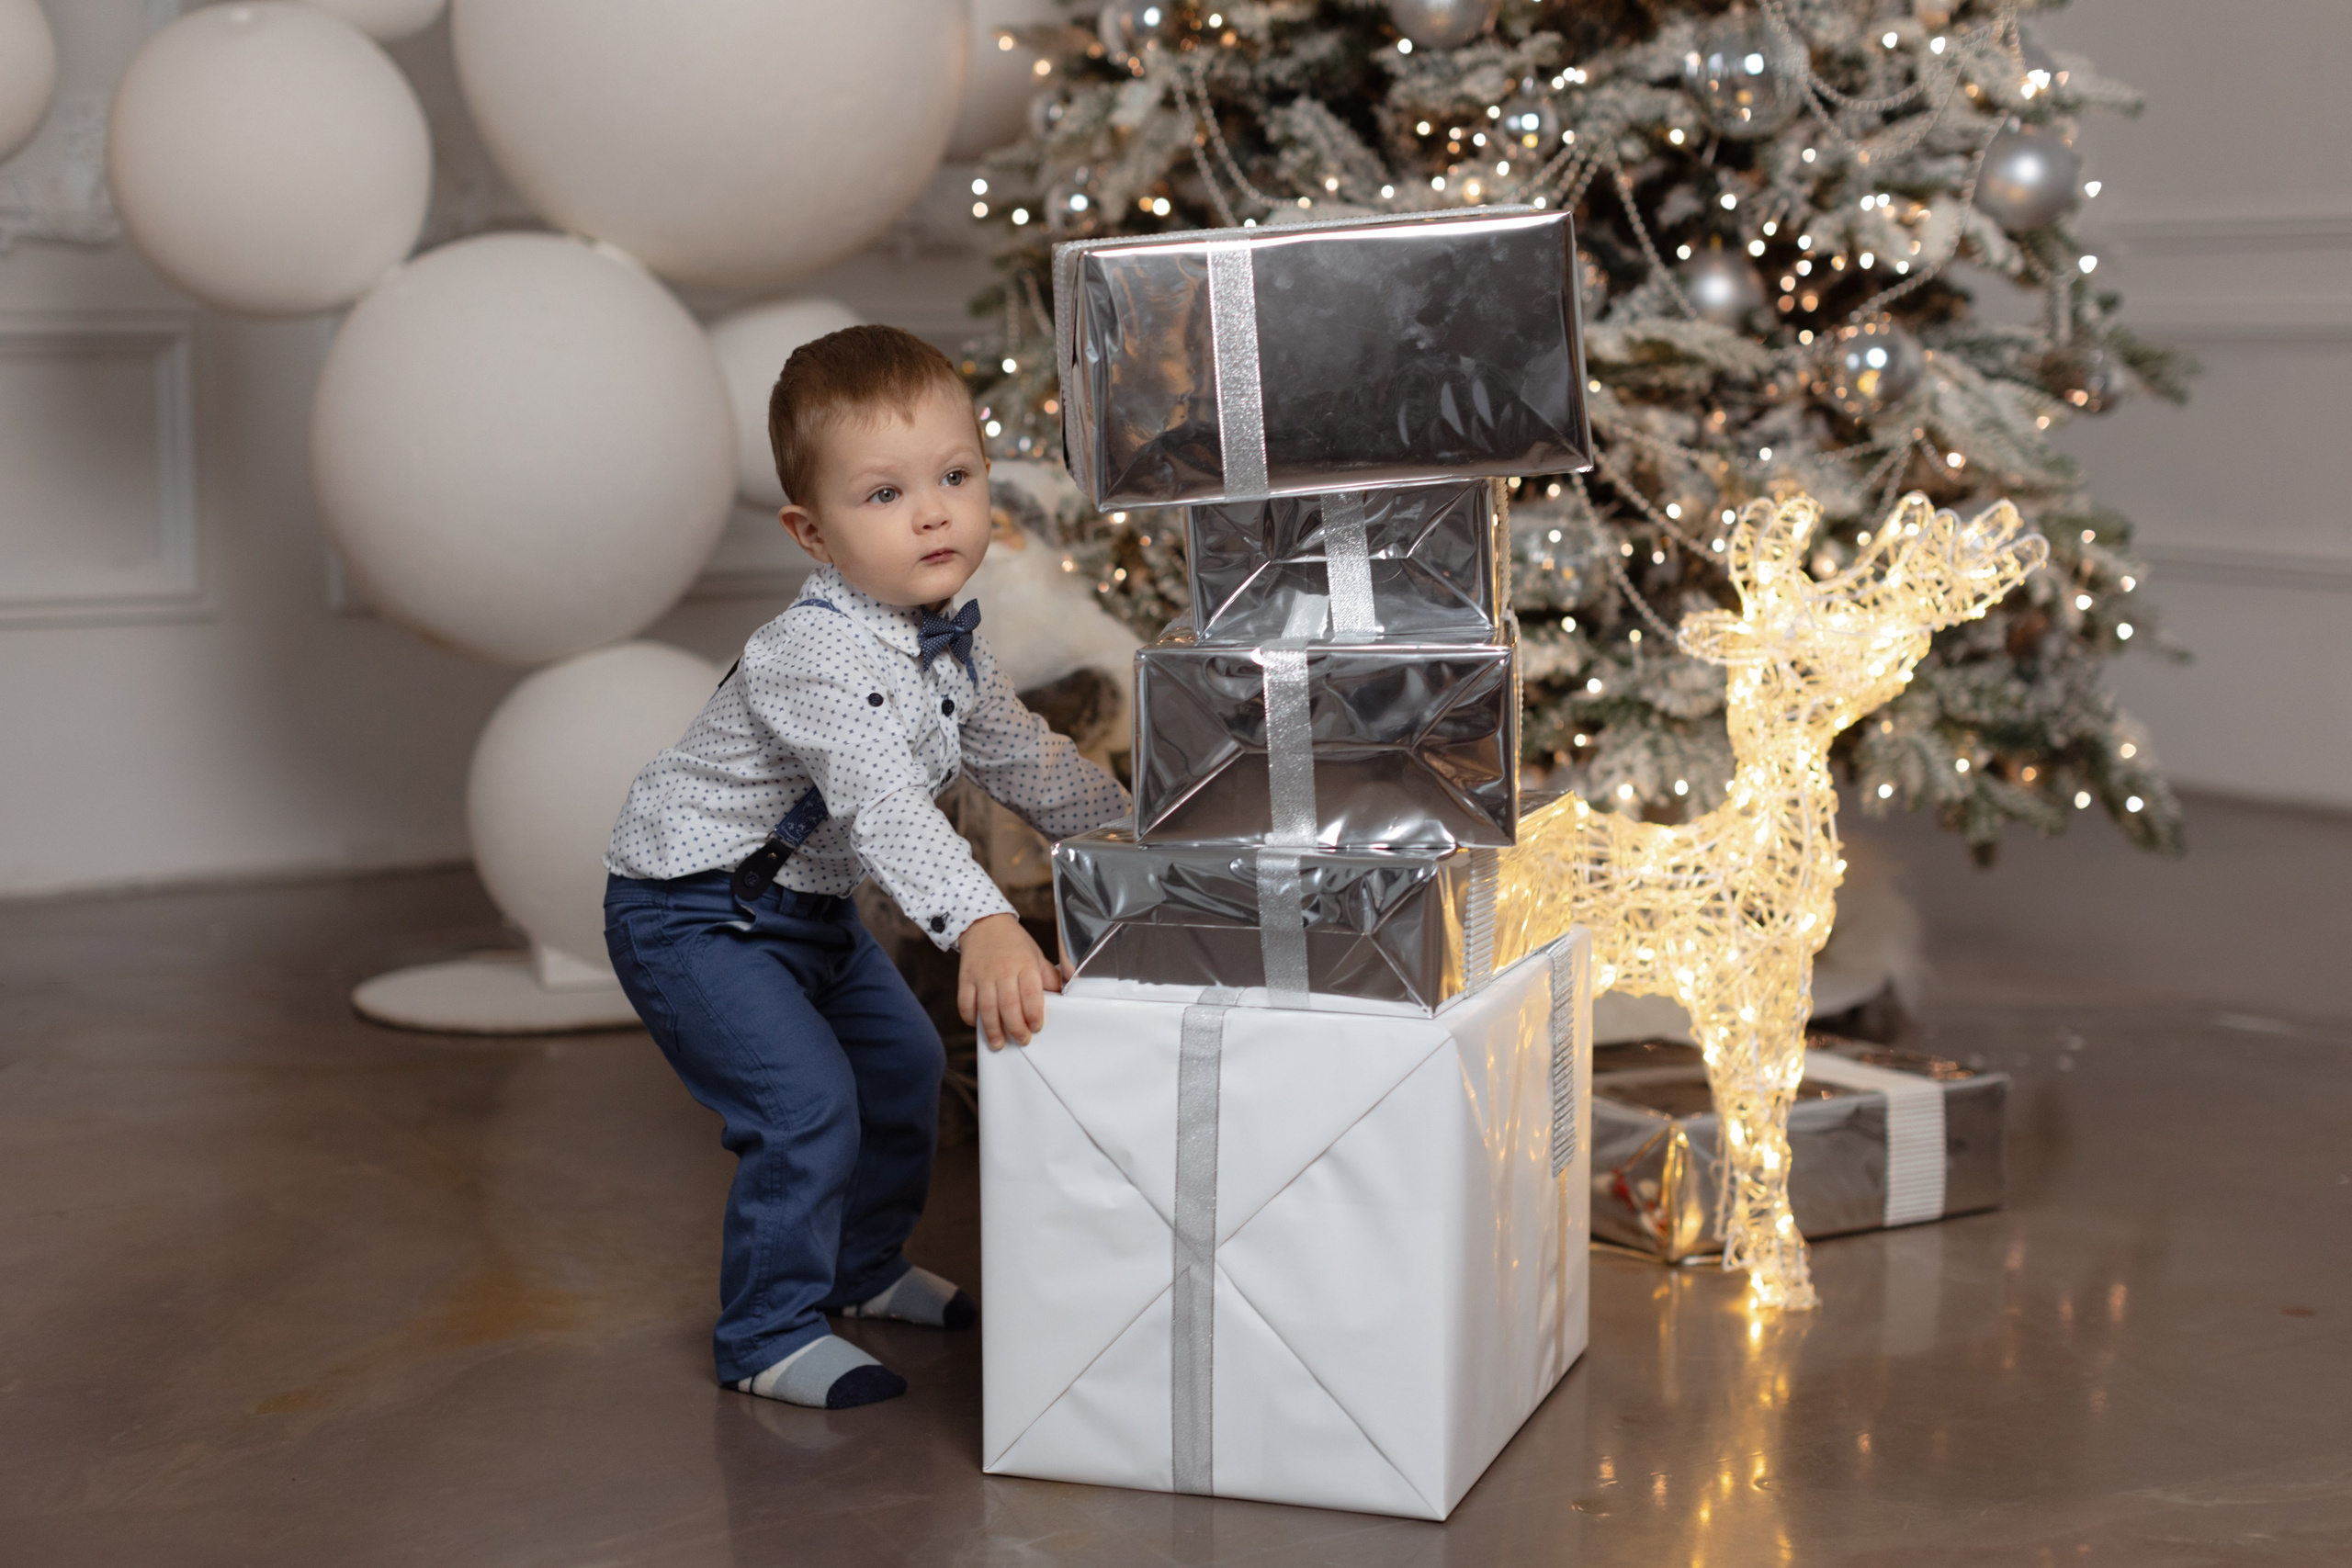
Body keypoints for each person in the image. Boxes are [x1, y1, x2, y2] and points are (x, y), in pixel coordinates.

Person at [601, 325, 1130, 1410]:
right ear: (813, 532)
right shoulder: (809, 654)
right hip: (696, 912)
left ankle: (862, 1267)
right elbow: (881, 803)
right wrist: (983, 921)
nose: (933, 511)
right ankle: (765, 1331)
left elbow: (1022, 759)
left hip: (809, 909)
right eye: (883, 495)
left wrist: (1136, 827)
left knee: (902, 1070)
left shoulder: (950, 642)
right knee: (806, 1108)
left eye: (954, 476)